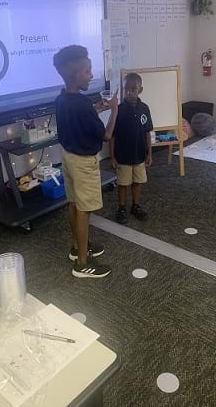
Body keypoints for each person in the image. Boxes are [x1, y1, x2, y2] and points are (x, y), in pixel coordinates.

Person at [54, 45, 118, 278]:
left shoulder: (63, 98)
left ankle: (76, 247)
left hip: (68, 159)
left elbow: (80, 114)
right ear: (75, 74)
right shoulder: (81, 104)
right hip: (84, 164)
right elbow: (106, 136)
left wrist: (96, 108)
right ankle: (82, 263)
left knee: (74, 205)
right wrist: (113, 110)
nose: (91, 75)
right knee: (85, 210)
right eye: (88, 71)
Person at [110, 72, 153, 224]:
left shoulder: (144, 109)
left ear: (140, 90)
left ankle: (135, 206)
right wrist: (112, 156)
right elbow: (112, 135)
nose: (129, 92)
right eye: (126, 89)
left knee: (137, 182)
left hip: (139, 155)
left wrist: (149, 154)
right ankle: (121, 208)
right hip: (123, 156)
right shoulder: (119, 110)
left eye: (133, 89)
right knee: (123, 184)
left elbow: (147, 133)